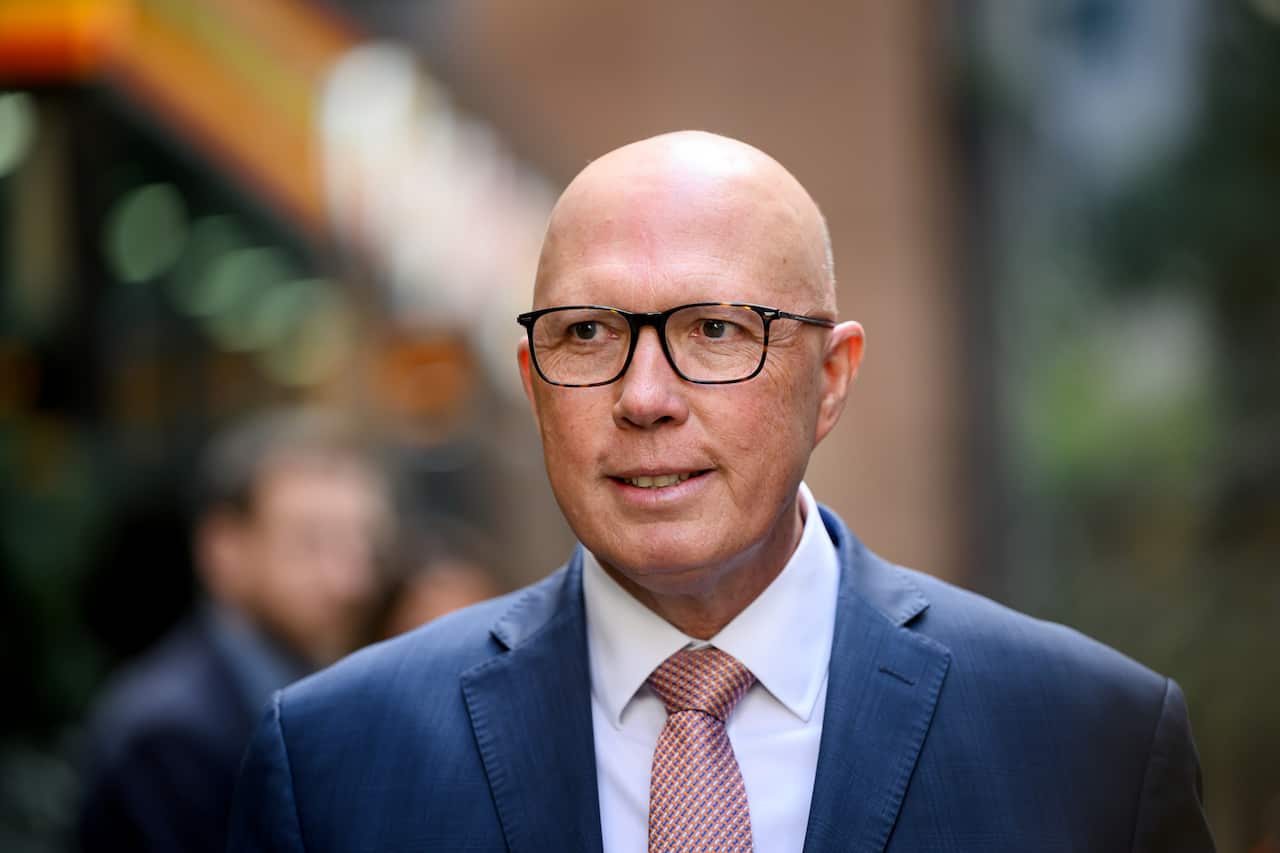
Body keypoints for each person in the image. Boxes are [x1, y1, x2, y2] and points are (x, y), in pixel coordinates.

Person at [228, 132, 1215, 851]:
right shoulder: (335, 762)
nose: (643, 397)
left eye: (712, 331)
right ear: (531, 387)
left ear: (828, 379)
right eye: (586, 334)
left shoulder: (1089, 743)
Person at [77, 409, 395, 853]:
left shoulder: (304, 686)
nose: (352, 580)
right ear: (223, 551)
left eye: (361, 544)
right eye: (313, 544)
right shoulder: (171, 739)